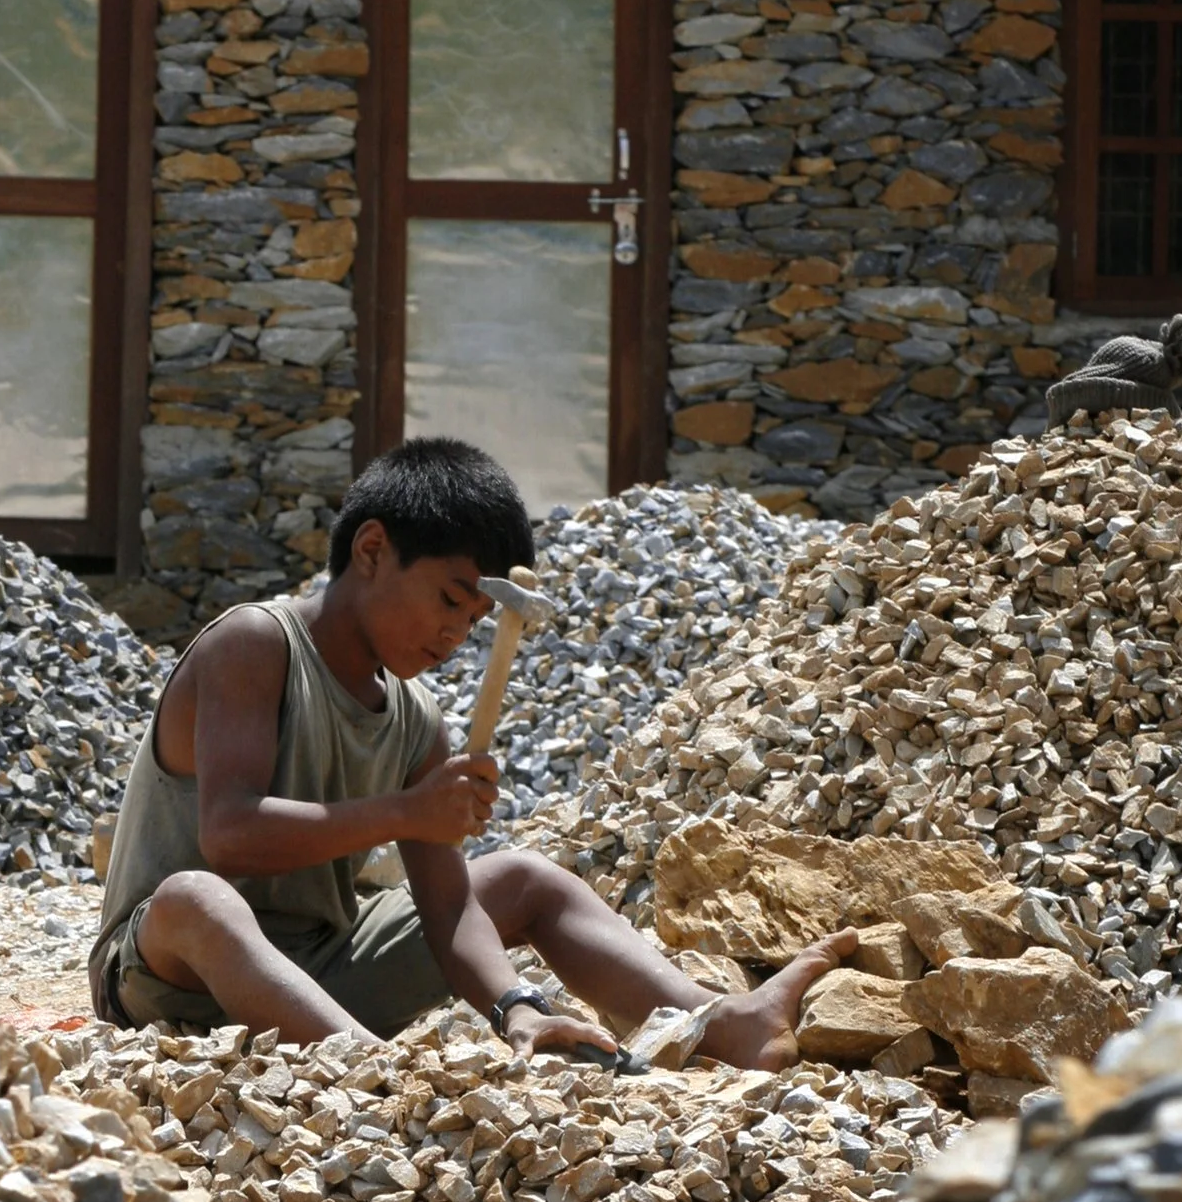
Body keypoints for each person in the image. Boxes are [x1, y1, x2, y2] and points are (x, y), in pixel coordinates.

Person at [89, 435, 856, 1065]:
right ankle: (376, 1076)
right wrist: (404, 813)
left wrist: (516, 1007)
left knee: (524, 879)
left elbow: (449, 907)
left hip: (318, 975)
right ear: (372, 549)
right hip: (170, 976)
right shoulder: (257, 644)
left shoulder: (416, 720)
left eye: (477, 618)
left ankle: (723, 1024)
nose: (458, 633)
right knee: (199, 898)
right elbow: (230, 834)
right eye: (450, 599)